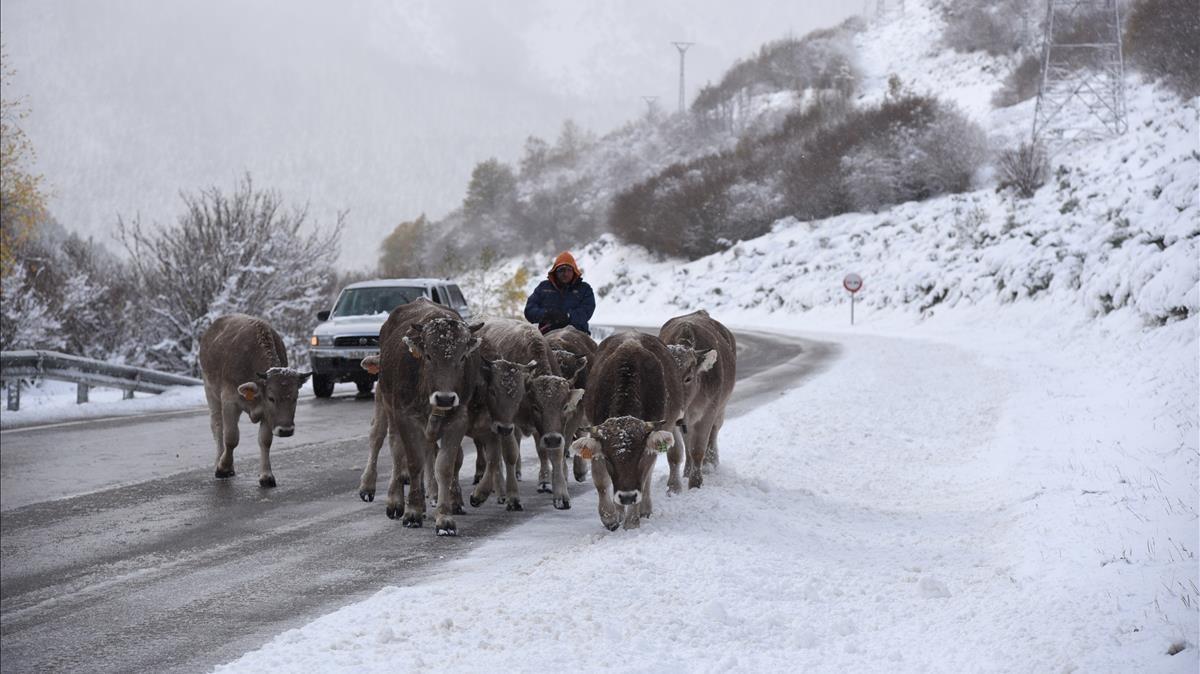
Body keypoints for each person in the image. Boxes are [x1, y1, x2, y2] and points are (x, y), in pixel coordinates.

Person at [524, 251, 595, 335]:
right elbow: (529, 310)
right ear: (555, 272)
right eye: (561, 270)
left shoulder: (585, 289)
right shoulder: (543, 287)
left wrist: (568, 316)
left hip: (578, 335)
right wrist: (547, 314)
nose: (565, 274)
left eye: (569, 270)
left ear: (574, 271)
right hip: (547, 335)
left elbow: (587, 310)